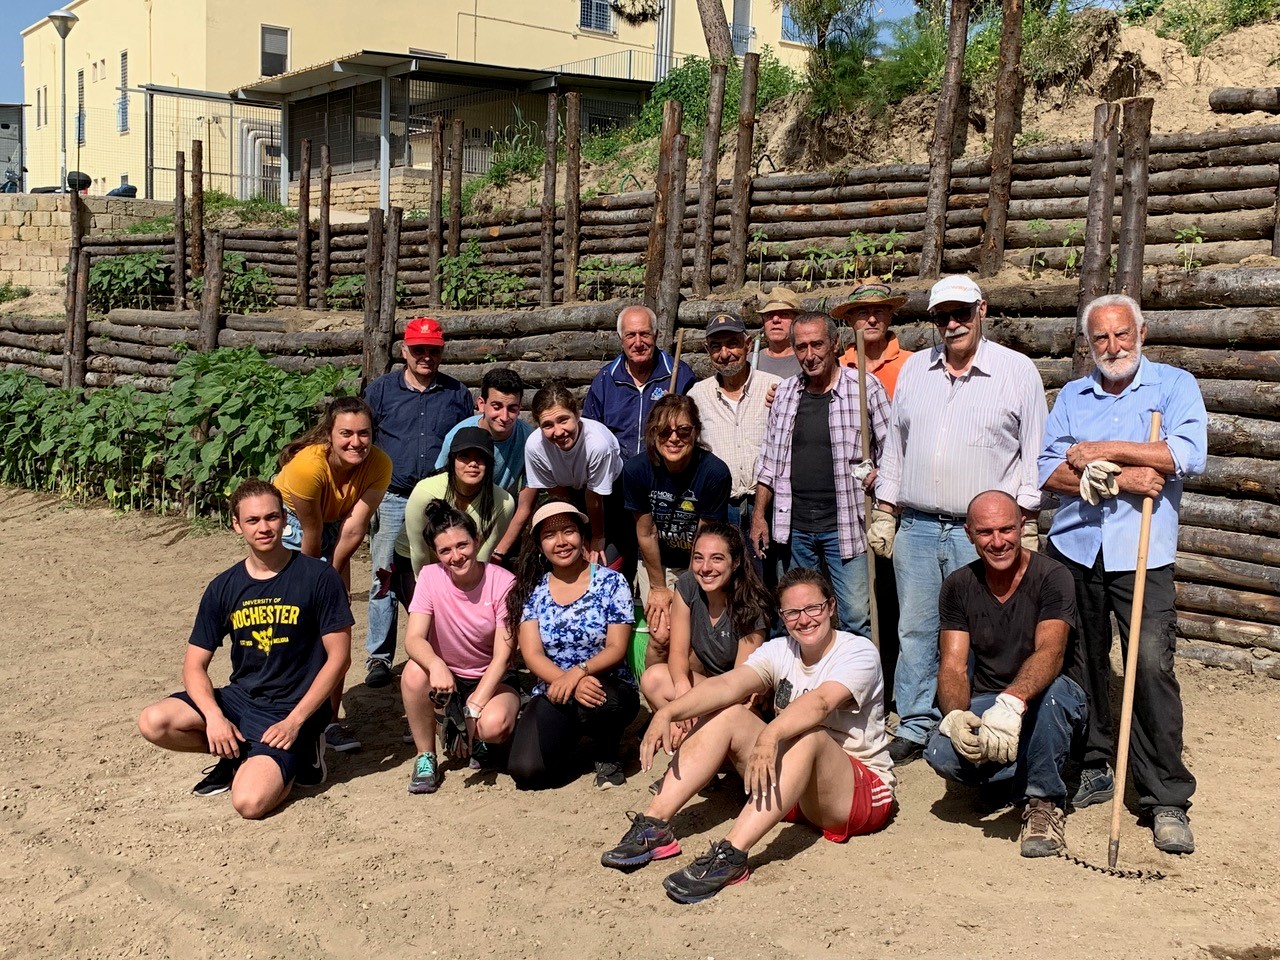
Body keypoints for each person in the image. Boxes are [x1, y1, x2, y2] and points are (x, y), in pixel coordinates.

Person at [600, 568, 894, 905]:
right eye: (793, 613)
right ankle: (655, 825)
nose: (805, 619)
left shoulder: (858, 651)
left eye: (813, 608)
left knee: (810, 735)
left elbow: (821, 702)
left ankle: (732, 855)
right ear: (782, 618)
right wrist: (668, 712)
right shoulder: (780, 649)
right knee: (730, 713)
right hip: (790, 789)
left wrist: (770, 735)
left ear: (829, 607)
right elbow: (728, 685)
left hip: (857, 792)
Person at [1038, 293, 1206, 855]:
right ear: (1088, 344)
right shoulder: (1072, 394)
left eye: (1121, 335)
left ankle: (1165, 797)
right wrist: (1121, 478)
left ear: (1142, 333)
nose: (1112, 347)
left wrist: (1099, 451)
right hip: (1075, 549)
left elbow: (1186, 453)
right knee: (1079, 662)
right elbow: (1048, 470)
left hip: (1142, 554)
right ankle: (1094, 764)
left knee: (1151, 667)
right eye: (1100, 338)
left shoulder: (1173, 386)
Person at [872, 275, 1047, 765]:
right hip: (920, 524)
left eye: (960, 313)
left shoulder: (1016, 372)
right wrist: (887, 508)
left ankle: (971, 715)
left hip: (985, 533)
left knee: (982, 629)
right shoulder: (915, 372)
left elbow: (1034, 451)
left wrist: (1026, 517)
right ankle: (915, 721)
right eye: (941, 316)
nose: (951, 324)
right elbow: (895, 448)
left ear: (982, 311)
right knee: (916, 628)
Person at [136, 481, 354, 818]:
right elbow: (194, 664)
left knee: (249, 804)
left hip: (292, 708)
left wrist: (295, 722)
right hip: (242, 699)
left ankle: (303, 751)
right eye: (253, 520)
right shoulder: (224, 586)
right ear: (237, 525)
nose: (264, 528)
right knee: (155, 721)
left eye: (271, 517)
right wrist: (214, 718)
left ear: (284, 520)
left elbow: (339, 659)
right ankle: (239, 753)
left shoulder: (318, 577)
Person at [924, 491, 1088, 859]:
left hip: (1051, 696)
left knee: (1052, 698)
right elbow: (952, 664)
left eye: (1006, 530)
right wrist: (954, 715)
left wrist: (1012, 702)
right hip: (990, 698)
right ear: (968, 534)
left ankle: (1043, 803)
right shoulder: (957, 586)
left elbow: (1051, 651)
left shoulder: (1052, 576)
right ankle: (1026, 770)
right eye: (985, 533)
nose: (997, 542)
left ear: (1022, 527)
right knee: (939, 750)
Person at [751, 311, 889, 637]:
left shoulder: (864, 388)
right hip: (795, 526)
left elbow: (893, 450)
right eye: (801, 347)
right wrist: (759, 514)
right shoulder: (785, 394)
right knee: (803, 615)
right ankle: (810, 683)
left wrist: (880, 480)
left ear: (835, 343)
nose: (809, 356)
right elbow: (769, 460)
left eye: (817, 345)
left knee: (856, 616)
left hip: (848, 525)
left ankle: (858, 686)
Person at [273, 396, 390, 753]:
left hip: (337, 526)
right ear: (329, 434)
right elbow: (310, 534)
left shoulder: (380, 464)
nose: (356, 442)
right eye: (346, 434)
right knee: (293, 618)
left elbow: (354, 530)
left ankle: (329, 721)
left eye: (364, 434)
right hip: (295, 522)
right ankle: (282, 710)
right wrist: (311, 586)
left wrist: (332, 579)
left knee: (336, 621)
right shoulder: (307, 467)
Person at [363, 316, 474, 691]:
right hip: (393, 495)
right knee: (384, 574)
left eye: (433, 350)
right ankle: (379, 656)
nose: (426, 356)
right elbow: (365, 439)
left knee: (442, 570)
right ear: (404, 351)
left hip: (439, 496)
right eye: (419, 349)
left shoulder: (455, 393)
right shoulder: (380, 391)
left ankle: (436, 647)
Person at [506, 501, 639, 790]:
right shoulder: (532, 590)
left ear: (583, 537)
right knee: (526, 771)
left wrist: (579, 673)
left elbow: (616, 648)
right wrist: (568, 682)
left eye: (569, 531)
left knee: (609, 702)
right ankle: (571, 736)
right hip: (556, 690)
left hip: (605, 683)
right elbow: (532, 654)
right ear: (540, 545)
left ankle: (607, 752)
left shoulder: (612, 582)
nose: (561, 542)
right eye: (550, 535)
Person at [400, 503, 520, 795]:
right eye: (445, 551)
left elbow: (504, 655)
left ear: (477, 540)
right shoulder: (430, 577)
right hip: (449, 677)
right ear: (436, 554)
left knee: (493, 727)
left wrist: (476, 703)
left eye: (462, 545)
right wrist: (437, 664)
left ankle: (474, 732)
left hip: (492, 676)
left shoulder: (503, 582)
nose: (456, 556)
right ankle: (425, 755)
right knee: (414, 672)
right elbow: (413, 638)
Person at [831, 282, 913, 688]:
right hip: (850, 502)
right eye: (861, 312)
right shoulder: (836, 367)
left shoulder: (914, 365)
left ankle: (898, 685)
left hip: (900, 497)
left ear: (891, 316)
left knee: (899, 594)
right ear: (848, 321)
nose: (871, 318)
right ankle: (861, 679)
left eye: (879, 310)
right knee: (860, 597)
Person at [621, 394, 732, 664]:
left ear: (695, 432)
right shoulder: (637, 470)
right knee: (661, 635)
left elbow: (704, 542)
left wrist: (685, 588)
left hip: (696, 562)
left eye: (683, 430)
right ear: (652, 433)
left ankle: (690, 699)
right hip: (656, 561)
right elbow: (646, 534)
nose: (673, 438)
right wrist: (659, 588)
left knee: (693, 638)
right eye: (664, 431)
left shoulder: (714, 473)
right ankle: (654, 700)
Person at [638, 521, 771, 713]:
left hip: (736, 697)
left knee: (736, 711)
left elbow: (739, 685)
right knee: (653, 679)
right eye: (698, 558)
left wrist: (692, 707)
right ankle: (678, 729)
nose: (705, 568)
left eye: (717, 559)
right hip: (706, 682)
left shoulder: (751, 605)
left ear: (735, 562)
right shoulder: (688, 584)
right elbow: (678, 653)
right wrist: (682, 696)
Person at [687, 312, 782, 579]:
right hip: (720, 507)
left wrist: (762, 513)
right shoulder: (697, 396)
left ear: (748, 344)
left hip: (767, 503)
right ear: (707, 351)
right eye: (716, 347)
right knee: (725, 581)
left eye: (732, 343)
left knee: (769, 581)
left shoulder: (774, 388)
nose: (725, 353)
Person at [391, 426, 516, 603]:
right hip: (414, 562)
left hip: (462, 561)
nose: (472, 464)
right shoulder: (425, 492)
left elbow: (482, 555)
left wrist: (467, 590)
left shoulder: (504, 502)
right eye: (464, 456)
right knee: (427, 621)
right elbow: (418, 551)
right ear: (452, 460)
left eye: (480, 458)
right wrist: (429, 595)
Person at [434, 367, 535, 567]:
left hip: (503, 519)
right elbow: (439, 488)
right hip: (459, 517)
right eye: (496, 406)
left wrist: (499, 552)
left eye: (512, 408)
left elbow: (525, 505)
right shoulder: (458, 435)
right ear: (481, 404)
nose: (504, 416)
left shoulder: (529, 440)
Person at [523, 382, 627, 567]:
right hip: (569, 494)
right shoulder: (534, 447)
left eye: (563, 420)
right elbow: (557, 492)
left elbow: (594, 497)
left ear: (577, 414)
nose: (558, 432)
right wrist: (580, 537)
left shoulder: (597, 444)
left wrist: (595, 538)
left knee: (602, 561)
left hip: (609, 495)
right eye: (547, 425)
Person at [583, 304, 697, 461]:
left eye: (644, 334)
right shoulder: (605, 380)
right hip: (618, 477)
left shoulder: (679, 375)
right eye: (630, 335)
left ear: (656, 335)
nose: (638, 343)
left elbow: (696, 430)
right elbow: (591, 433)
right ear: (620, 339)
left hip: (665, 474)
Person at [754, 286, 802, 379]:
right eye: (770, 315)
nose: (775, 319)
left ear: (796, 321)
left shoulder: (807, 359)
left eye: (784, 314)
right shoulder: (751, 361)